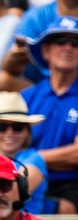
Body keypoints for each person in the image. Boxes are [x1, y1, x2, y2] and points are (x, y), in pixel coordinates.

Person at [20, 17, 78, 207]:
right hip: (24, 178)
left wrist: (35, 158)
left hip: (70, 186)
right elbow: (8, 145)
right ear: (45, 50)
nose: (68, 47)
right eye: (60, 41)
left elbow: (76, 154)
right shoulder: (26, 97)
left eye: (75, 43)